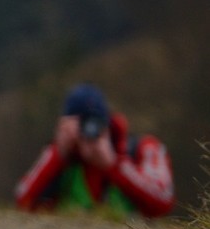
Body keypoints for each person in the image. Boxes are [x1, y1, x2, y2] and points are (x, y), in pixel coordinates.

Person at [14, 82, 174, 217]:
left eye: (95, 124)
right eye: (79, 126)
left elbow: (164, 200)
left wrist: (114, 165)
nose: (88, 132)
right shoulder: (62, 159)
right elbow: (22, 199)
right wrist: (59, 153)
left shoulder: (143, 148)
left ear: (108, 125)